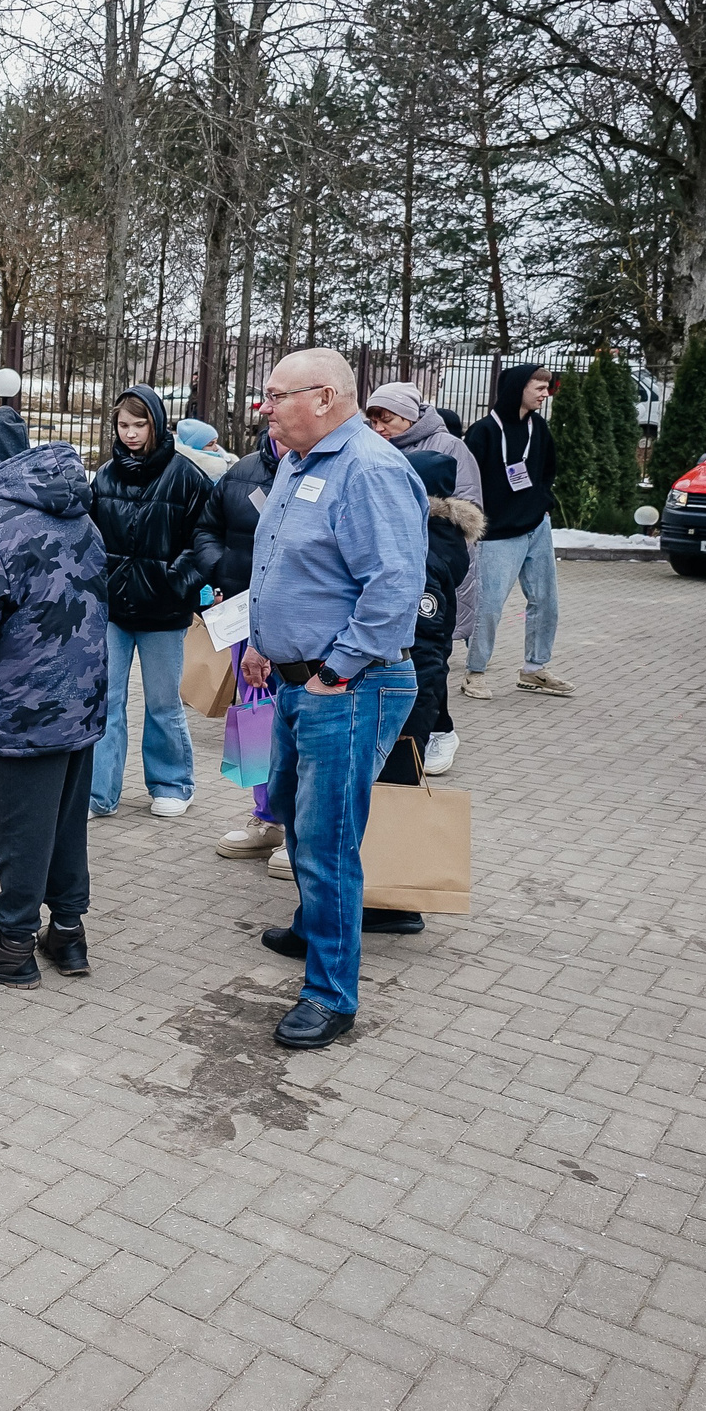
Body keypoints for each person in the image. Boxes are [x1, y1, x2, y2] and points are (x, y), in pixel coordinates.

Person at [244, 347, 426, 1050]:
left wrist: (332, 670)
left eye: (276, 394)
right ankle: (312, 925)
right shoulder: (298, 460)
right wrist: (264, 641)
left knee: (327, 839)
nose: (266, 406)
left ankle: (331, 992)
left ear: (323, 397)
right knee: (294, 813)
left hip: (348, 685)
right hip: (298, 676)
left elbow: (392, 590)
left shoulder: (370, 470)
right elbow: (282, 565)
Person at [0, 419, 111, 983]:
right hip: (84, 693)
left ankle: (12, 942)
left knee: (22, 826)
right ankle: (67, 934)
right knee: (64, 821)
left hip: (30, 699)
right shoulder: (76, 508)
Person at [89, 385, 214, 818]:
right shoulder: (104, 475)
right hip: (114, 609)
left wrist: (175, 581)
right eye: (123, 425)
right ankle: (99, 792)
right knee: (107, 701)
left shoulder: (187, 475)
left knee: (163, 702)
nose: (130, 433)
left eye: (139, 424)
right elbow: (90, 538)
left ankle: (173, 784)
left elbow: (205, 539)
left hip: (163, 611)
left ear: (156, 425)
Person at [365, 382, 481, 774]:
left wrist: (439, 562)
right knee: (413, 660)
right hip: (398, 567)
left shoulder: (449, 448)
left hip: (433, 571)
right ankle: (428, 731)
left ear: (410, 416)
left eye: (388, 419)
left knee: (428, 657)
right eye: (373, 419)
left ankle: (437, 733)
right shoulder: (373, 449)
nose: (379, 427)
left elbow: (465, 511)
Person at [191, 424, 291, 873]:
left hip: (304, 621)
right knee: (256, 715)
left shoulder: (335, 472)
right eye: (272, 414)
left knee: (300, 719)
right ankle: (267, 817)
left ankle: (302, 828)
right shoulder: (242, 473)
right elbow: (207, 528)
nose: (279, 422)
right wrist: (222, 569)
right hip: (244, 615)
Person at [463, 363, 574, 700]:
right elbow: (469, 481)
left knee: (546, 601)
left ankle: (534, 670)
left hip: (536, 527)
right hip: (497, 534)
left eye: (548, 387)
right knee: (489, 605)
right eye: (539, 387)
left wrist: (542, 502)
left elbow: (548, 469)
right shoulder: (483, 431)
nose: (545, 394)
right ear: (517, 389)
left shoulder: (538, 427)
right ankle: (474, 673)